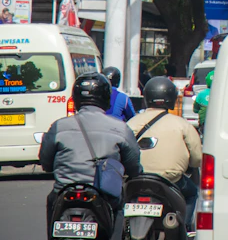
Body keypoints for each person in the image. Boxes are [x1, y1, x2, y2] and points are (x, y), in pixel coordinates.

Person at [39, 72, 142, 239]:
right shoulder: (121, 128)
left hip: (64, 193)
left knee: (52, 199)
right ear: (106, 98)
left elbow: (46, 163)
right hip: (104, 195)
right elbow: (133, 166)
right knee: (120, 205)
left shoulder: (59, 126)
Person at [128, 77, 202, 231]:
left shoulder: (132, 123)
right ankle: (185, 228)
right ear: (172, 99)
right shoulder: (182, 125)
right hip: (171, 179)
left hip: (135, 179)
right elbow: (197, 159)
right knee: (192, 193)